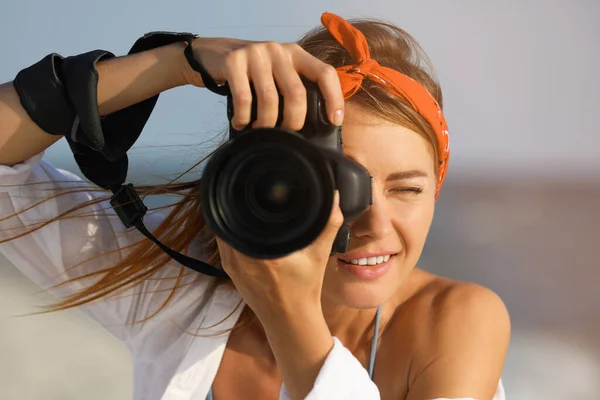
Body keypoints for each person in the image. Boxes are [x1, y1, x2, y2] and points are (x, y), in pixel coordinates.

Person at [0, 11, 509, 400]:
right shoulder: (181, 287)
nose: (374, 223)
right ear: (271, 181)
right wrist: (177, 62)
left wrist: (290, 315)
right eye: (340, 182)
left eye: (408, 189)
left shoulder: (455, 321)